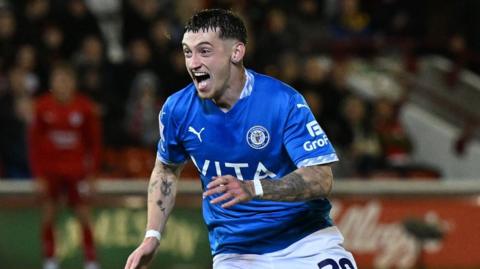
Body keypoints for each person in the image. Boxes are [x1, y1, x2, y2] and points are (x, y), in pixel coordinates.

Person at [125, 8, 357, 269]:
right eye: (187, 52)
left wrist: (253, 188)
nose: (192, 63)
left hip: (306, 242)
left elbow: (321, 177)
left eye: (204, 51)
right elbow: (166, 169)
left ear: (236, 52)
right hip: (236, 253)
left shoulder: (282, 101)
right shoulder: (177, 110)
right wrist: (152, 236)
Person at [29, 64, 102, 269]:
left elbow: (94, 145)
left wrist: (92, 175)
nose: (62, 84)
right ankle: (50, 260)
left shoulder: (85, 108)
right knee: (49, 213)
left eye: (66, 80)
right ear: (52, 83)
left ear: (73, 83)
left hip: (76, 172)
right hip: (50, 172)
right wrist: (38, 175)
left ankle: (91, 261)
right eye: (58, 80)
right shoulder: (42, 107)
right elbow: (34, 145)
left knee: (84, 215)